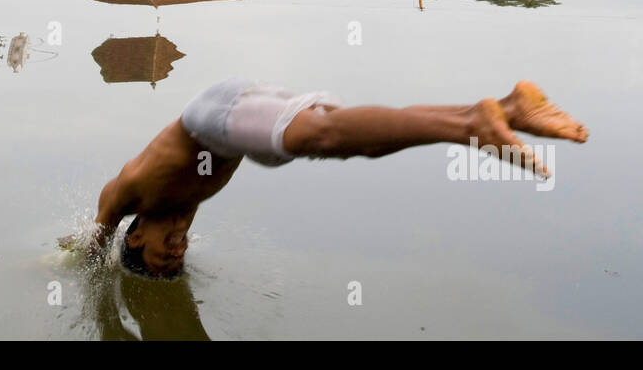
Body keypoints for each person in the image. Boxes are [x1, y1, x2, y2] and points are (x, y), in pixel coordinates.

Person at [72, 78, 589, 280]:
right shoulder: (180, 211)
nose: (175, 253)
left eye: (159, 254)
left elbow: (94, 240)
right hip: (238, 130)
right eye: (176, 261)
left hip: (210, 114)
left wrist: (72, 261)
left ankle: (472, 124)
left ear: (135, 234)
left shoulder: (131, 191)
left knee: (320, 140)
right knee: (346, 142)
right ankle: (506, 109)